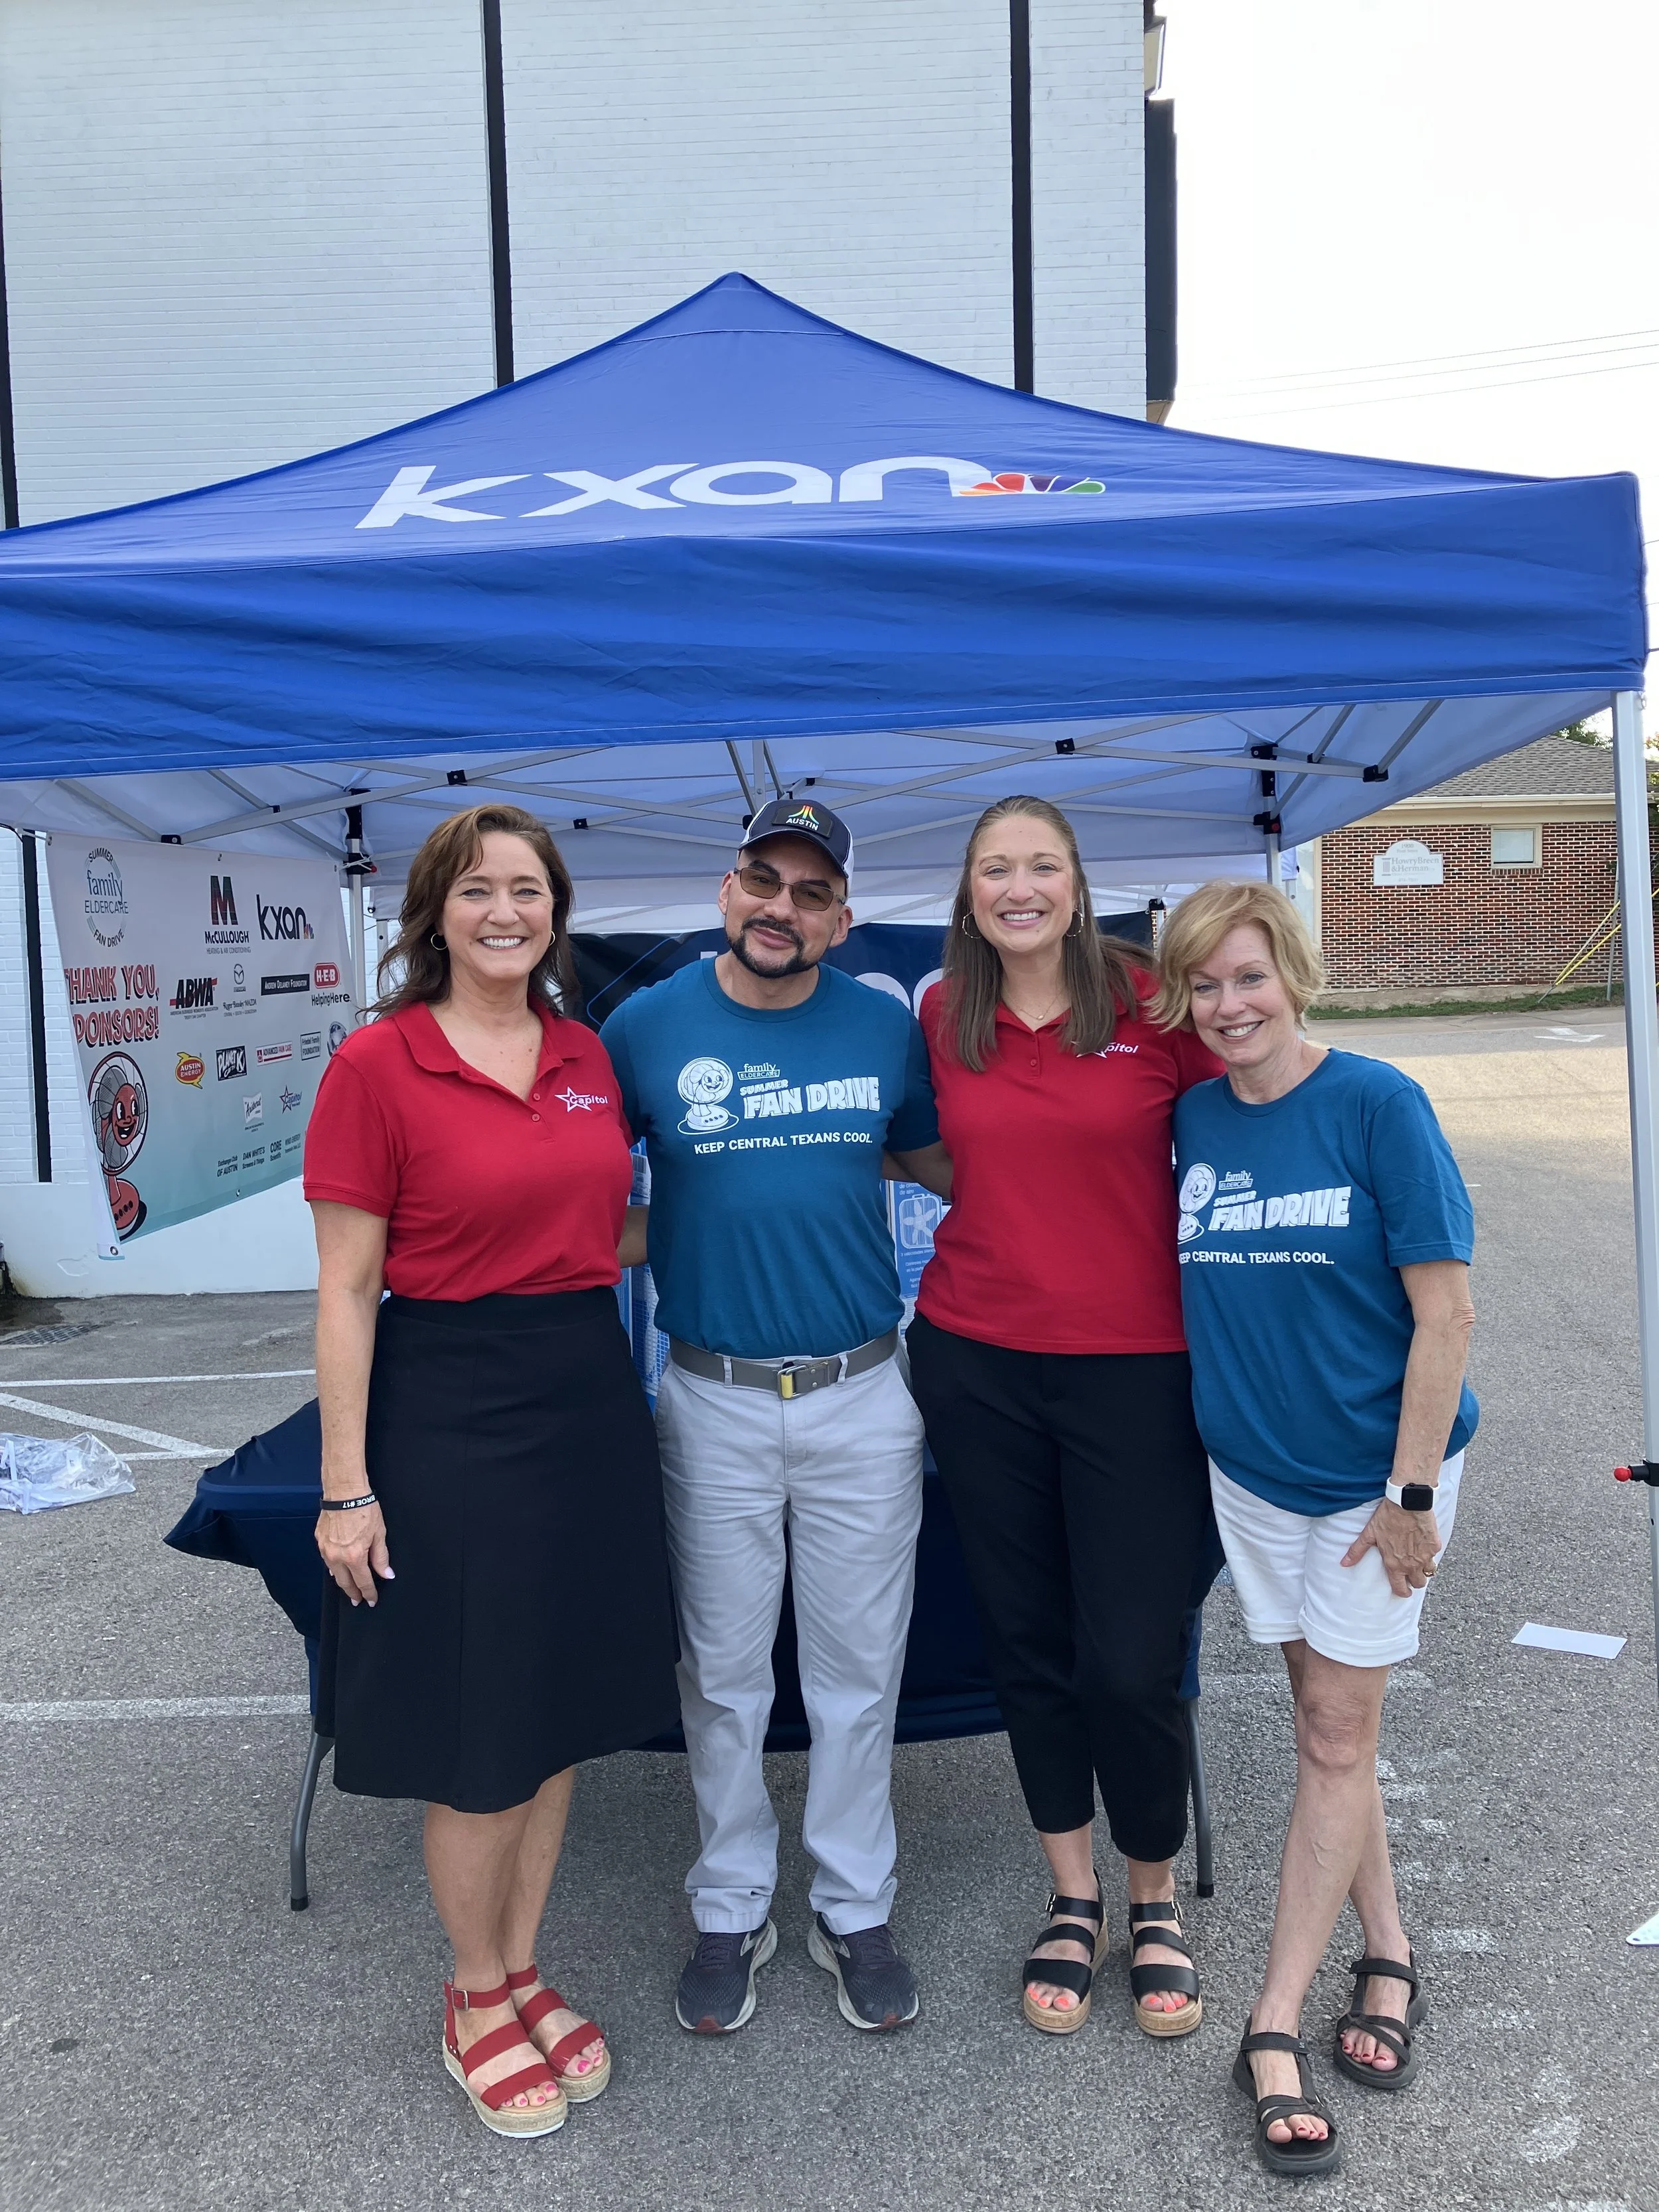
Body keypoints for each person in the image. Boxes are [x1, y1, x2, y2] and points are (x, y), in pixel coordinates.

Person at [303, 804, 679, 2140]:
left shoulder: (584, 1053)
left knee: (558, 1704)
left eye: (527, 889)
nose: (505, 912)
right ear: (435, 913)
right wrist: (345, 1484)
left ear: (555, 910)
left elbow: (604, 1229)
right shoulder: (378, 1063)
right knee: (478, 1732)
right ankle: (471, 1993)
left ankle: (523, 1963)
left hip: (581, 1388)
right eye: (478, 891)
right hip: (446, 1399)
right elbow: (346, 1289)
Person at [599, 795, 948, 2035]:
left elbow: (934, 1163)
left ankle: (853, 1904)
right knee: (727, 1674)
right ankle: (732, 1900)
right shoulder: (644, 1026)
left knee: (860, 1673)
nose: (780, 910)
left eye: (810, 895)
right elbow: (579, 1184)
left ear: (843, 922)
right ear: (724, 890)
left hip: (862, 1392)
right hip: (713, 1398)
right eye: (763, 881)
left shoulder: (883, 1031)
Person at [1155, 879, 1477, 2179]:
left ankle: (1270, 2015)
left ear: (1291, 971)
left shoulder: (1374, 1105)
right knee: (1327, 1730)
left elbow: (1444, 1313)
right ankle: (1388, 1947)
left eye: (1244, 977)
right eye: (1200, 985)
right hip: (1254, 1481)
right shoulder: (1187, 1118)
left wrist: (1406, 1496)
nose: (1224, 1006)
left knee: (1335, 1734)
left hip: (1368, 1490)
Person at [904, 794, 1221, 2040]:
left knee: (1131, 1654)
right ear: (969, 891)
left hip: (1138, 1370)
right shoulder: (942, 1013)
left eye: (1042, 865)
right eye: (996, 868)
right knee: (1027, 1640)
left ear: (1080, 885)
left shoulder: (1153, 1004)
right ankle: (1073, 1893)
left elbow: (1256, 1120)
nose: (1018, 886)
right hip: (977, 1361)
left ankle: (1155, 1898)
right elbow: (920, 1148)